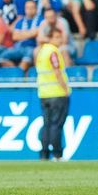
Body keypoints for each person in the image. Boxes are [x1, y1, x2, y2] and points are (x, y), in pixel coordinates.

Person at [35, 27, 71, 161]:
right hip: (57, 93)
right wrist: (65, 89)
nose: (60, 40)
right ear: (50, 38)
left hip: (43, 94)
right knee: (56, 125)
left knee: (47, 124)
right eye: (57, 37)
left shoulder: (41, 52)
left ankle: (44, 154)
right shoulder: (53, 52)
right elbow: (57, 72)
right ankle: (57, 154)